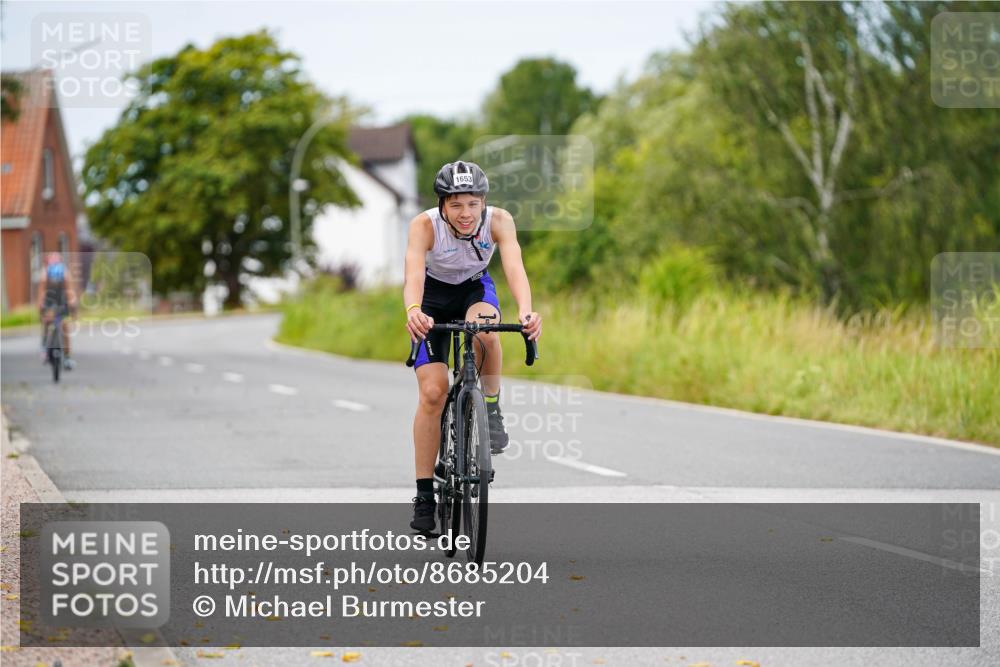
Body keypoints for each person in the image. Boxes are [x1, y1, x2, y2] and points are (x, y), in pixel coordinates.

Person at [403, 161, 542, 532]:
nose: (466, 214)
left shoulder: (499, 221)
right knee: (433, 393)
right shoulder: (423, 225)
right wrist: (414, 310)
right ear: (442, 205)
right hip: (431, 298)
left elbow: (514, 267)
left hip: (473, 288)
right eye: (456, 205)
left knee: (487, 331)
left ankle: (491, 409)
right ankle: (424, 495)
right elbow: (413, 274)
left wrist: (526, 311)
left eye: (473, 204)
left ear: (484, 202)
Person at [37, 252, 78, 370]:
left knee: (65, 327)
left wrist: (72, 303)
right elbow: (41, 293)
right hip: (49, 300)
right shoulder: (45, 275)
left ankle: (67, 356)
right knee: (47, 321)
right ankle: (45, 346)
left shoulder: (65, 274)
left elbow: (70, 291)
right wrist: (41, 306)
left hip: (62, 300)